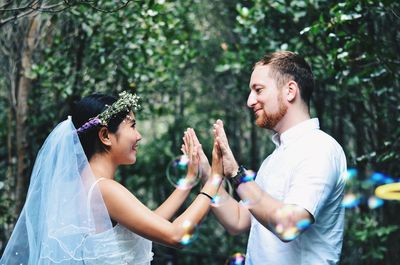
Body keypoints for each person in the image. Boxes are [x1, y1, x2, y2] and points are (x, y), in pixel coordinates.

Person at [0, 91, 224, 265]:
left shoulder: (85, 186)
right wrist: (215, 178)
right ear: (106, 135)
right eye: (132, 126)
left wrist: (189, 180)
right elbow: (175, 235)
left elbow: (149, 224)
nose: (139, 136)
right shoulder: (104, 189)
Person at [190, 51, 347, 264]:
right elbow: (237, 220)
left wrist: (237, 175)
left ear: (290, 91)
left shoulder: (319, 149)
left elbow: (290, 224)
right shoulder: (272, 160)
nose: (250, 101)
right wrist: (208, 174)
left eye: (258, 90)